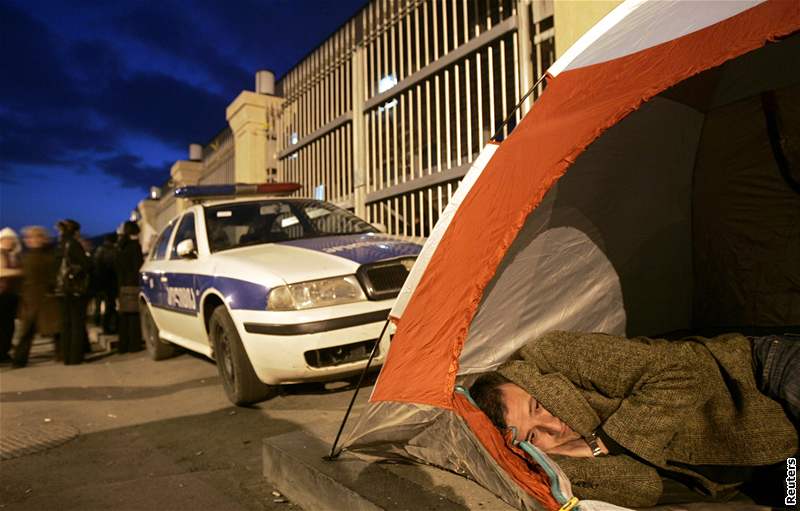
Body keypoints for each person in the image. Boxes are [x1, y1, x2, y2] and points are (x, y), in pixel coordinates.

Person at [470, 330, 799, 508]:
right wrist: (565, 461)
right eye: (533, 438)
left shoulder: (552, 354)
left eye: (538, 406)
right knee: (792, 495)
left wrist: (604, 441)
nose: (555, 426)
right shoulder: (558, 465)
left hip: (762, 375)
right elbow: (642, 488)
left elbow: (687, 371)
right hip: (770, 462)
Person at [12, 226, 61, 367]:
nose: (29, 240)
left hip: (39, 297)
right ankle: (20, 360)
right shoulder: (42, 256)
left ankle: (20, 360)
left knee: (47, 329)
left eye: (32, 237)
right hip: (35, 298)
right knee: (32, 330)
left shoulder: (38, 257)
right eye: (28, 237)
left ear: (41, 238)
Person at [55, 219, 91, 365]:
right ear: (75, 231)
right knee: (76, 321)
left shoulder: (58, 245)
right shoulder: (74, 245)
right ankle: (76, 356)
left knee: (65, 322)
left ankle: (66, 355)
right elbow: (86, 265)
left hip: (60, 288)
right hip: (74, 288)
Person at [115, 221, 143, 353]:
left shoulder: (120, 246)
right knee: (134, 316)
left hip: (122, 285)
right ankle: (134, 345)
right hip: (133, 284)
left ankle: (123, 345)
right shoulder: (134, 246)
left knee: (124, 316)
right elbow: (138, 265)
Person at [0, 227, 23, 363]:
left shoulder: (12, 255)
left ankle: (4, 351)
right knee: (3, 325)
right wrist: (20, 272)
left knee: (8, 325)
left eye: (13, 240)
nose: (12, 242)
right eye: (9, 239)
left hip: (10, 293)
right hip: (2, 294)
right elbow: (1, 272)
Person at [92, 233, 118, 334]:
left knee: (103, 306)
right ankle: (109, 327)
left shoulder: (99, 250)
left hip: (100, 283)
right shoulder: (111, 251)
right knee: (110, 305)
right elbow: (113, 266)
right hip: (109, 282)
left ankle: (101, 323)